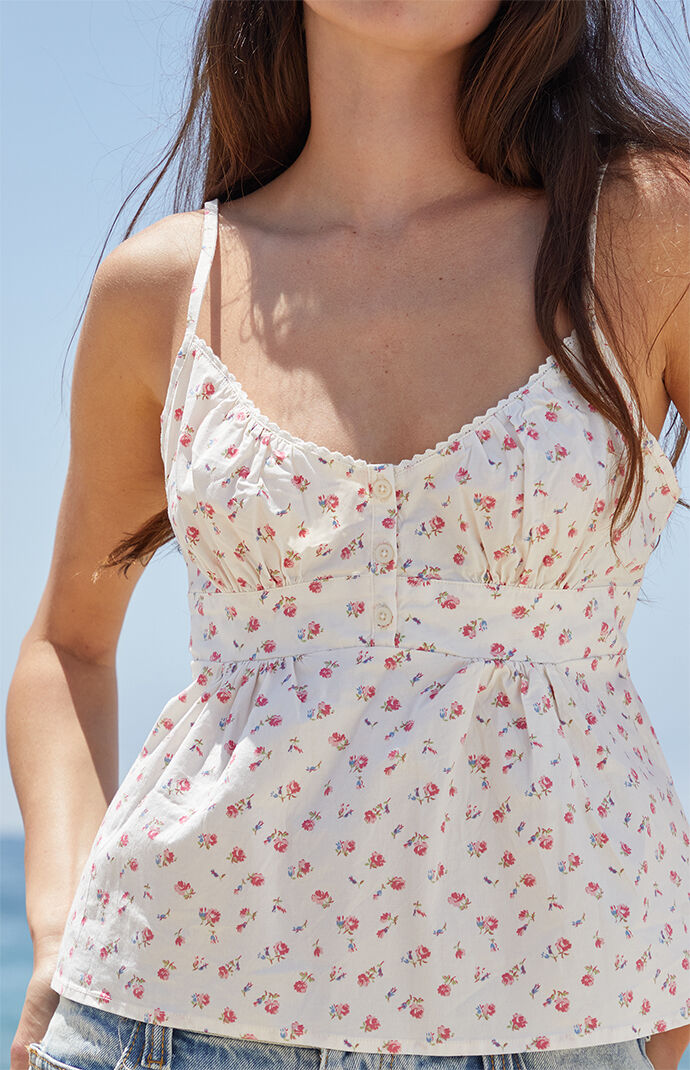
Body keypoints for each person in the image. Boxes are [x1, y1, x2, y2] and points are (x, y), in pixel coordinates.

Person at [7, 1, 690, 1069]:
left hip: (557, 1021)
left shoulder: (644, 231)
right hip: (160, 1013)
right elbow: (68, 642)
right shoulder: (168, 288)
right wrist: (57, 924)